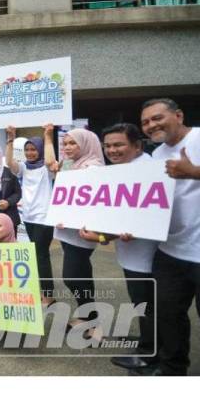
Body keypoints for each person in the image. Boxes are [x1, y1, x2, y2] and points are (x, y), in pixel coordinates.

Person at [77, 123, 159, 371]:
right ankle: (150, 341)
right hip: (133, 255)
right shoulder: (123, 169)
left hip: (147, 256)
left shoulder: (145, 171)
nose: (112, 150)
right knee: (143, 303)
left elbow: (139, 220)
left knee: (148, 303)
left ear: (137, 145)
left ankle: (149, 354)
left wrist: (101, 237)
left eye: (119, 144)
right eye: (108, 145)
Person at [139, 98, 200, 376]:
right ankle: (173, 372)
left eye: (157, 118)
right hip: (170, 252)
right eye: (145, 122)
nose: (151, 125)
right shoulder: (157, 155)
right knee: (168, 317)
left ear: (179, 114)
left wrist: (194, 173)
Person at [44, 125, 105, 333]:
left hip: (82, 231)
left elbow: (91, 202)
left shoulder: (92, 167)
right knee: (81, 275)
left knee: (73, 276)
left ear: (86, 144)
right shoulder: (72, 165)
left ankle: (91, 320)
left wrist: (68, 215)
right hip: (69, 230)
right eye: (65, 143)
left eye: (72, 143)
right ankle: (87, 317)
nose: (67, 147)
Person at [5, 127, 55, 307]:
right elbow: (10, 162)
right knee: (35, 254)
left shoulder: (47, 169)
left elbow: (50, 161)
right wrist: (10, 138)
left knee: (41, 255)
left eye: (33, 149)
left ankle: (48, 295)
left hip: (44, 217)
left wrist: (48, 136)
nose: (30, 153)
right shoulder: (24, 167)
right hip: (29, 216)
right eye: (27, 150)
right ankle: (42, 290)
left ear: (40, 150)